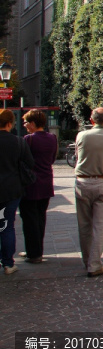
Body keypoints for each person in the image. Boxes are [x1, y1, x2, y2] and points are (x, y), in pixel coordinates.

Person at [74, 107, 103, 277]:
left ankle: (87, 261)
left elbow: (77, 156)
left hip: (83, 181)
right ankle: (94, 263)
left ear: (91, 120)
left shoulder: (82, 135)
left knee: (84, 224)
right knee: (101, 225)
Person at [18, 110, 56, 264]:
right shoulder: (52, 138)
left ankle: (33, 253)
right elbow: (52, 158)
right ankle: (37, 249)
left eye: (26, 122)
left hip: (31, 184)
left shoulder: (28, 139)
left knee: (29, 218)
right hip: (46, 182)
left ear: (33, 123)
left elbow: (23, 161)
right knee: (40, 217)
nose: (25, 125)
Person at [0, 109, 34, 275]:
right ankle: (8, 263)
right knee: (7, 226)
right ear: (9, 124)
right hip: (11, 189)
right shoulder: (19, 142)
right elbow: (30, 162)